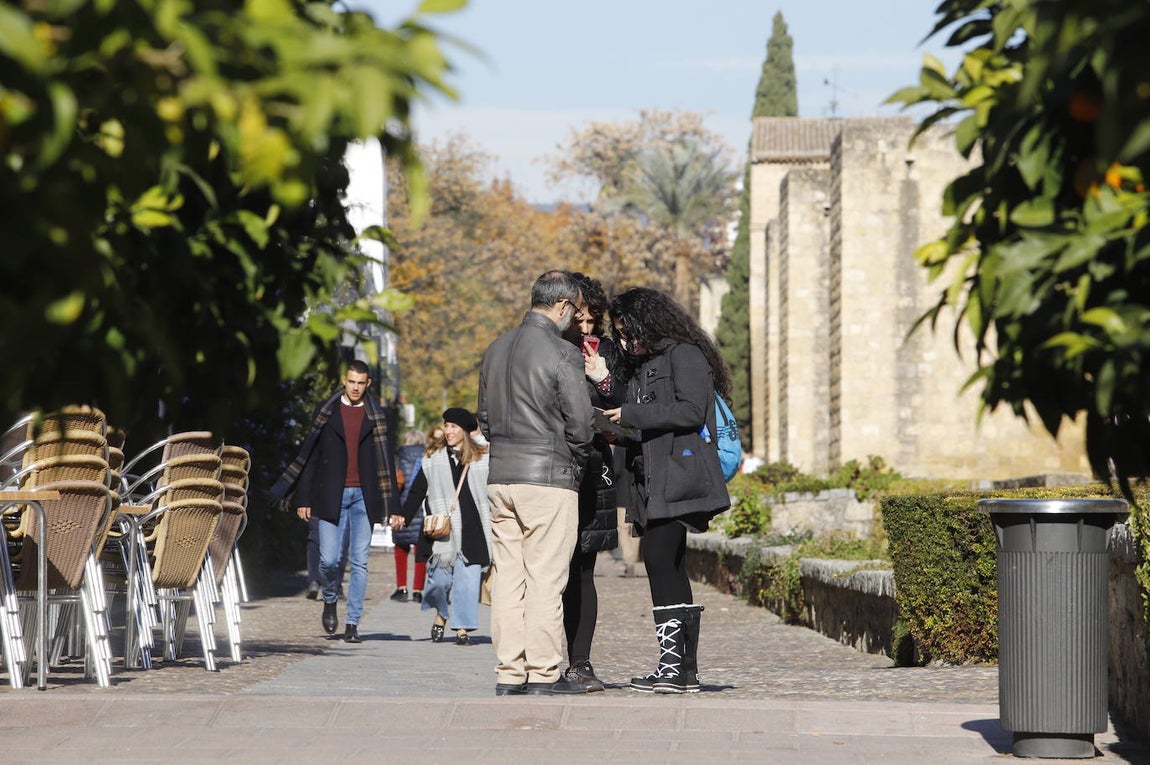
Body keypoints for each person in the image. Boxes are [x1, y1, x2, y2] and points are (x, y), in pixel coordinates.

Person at [602, 287, 732, 693]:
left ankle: (674, 668)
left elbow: (691, 411)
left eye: (629, 332)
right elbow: (651, 427)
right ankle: (681, 670)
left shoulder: (684, 355)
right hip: (654, 479)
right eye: (620, 334)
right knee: (666, 565)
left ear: (649, 321)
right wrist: (618, 432)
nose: (626, 342)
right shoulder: (645, 365)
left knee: (660, 559)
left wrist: (632, 413)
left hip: (682, 476)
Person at [478, 270, 594, 696]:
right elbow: (580, 424)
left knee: (508, 577)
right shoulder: (562, 353)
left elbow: (485, 421)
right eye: (575, 310)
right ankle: (544, 672)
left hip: (501, 476)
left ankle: (509, 673)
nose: (575, 318)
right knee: (546, 578)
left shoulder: (494, 350)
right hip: (549, 477)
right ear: (562, 306)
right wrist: (577, 461)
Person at [273, 359, 400, 644]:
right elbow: (311, 456)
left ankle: (353, 623)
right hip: (331, 493)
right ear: (345, 380)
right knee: (328, 560)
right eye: (351, 382)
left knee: (359, 562)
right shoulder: (326, 410)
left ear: (368, 384)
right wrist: (303, 498)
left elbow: (386, 462)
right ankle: (330, 598)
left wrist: (393, 506)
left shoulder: (377, 415)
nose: (356, 388)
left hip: (364, 497)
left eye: (361, 383)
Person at [559, 272, 623, 692]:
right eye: (579, 321)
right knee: (551, 570)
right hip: (555, 466)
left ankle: (580, 662)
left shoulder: (610, 352)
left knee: (583, 569)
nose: (585, 329)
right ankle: (540, 660)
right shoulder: (548, 348)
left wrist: (600, 376)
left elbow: (622, 403)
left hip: (595, 467)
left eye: (592, 322)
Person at [391, 409, 491, 646]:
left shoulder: (481, 457)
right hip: (442, 533)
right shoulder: (433, 458)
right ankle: (441, 614)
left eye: (454, 427)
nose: (448, 431)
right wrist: (403, 515)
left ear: (465, 431)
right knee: (439, 582)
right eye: (446, 426)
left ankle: (462, 629)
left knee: (467, 583)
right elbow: (417, 490)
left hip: (472, 530)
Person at [391, 429, 428, 603]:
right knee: (420, 551)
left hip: (402, 509)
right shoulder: (427, 457)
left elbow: (395, 483)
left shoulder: (398, 458)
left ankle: (401, 588)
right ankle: (418, 590)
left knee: (400, 549)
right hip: (420, 508)